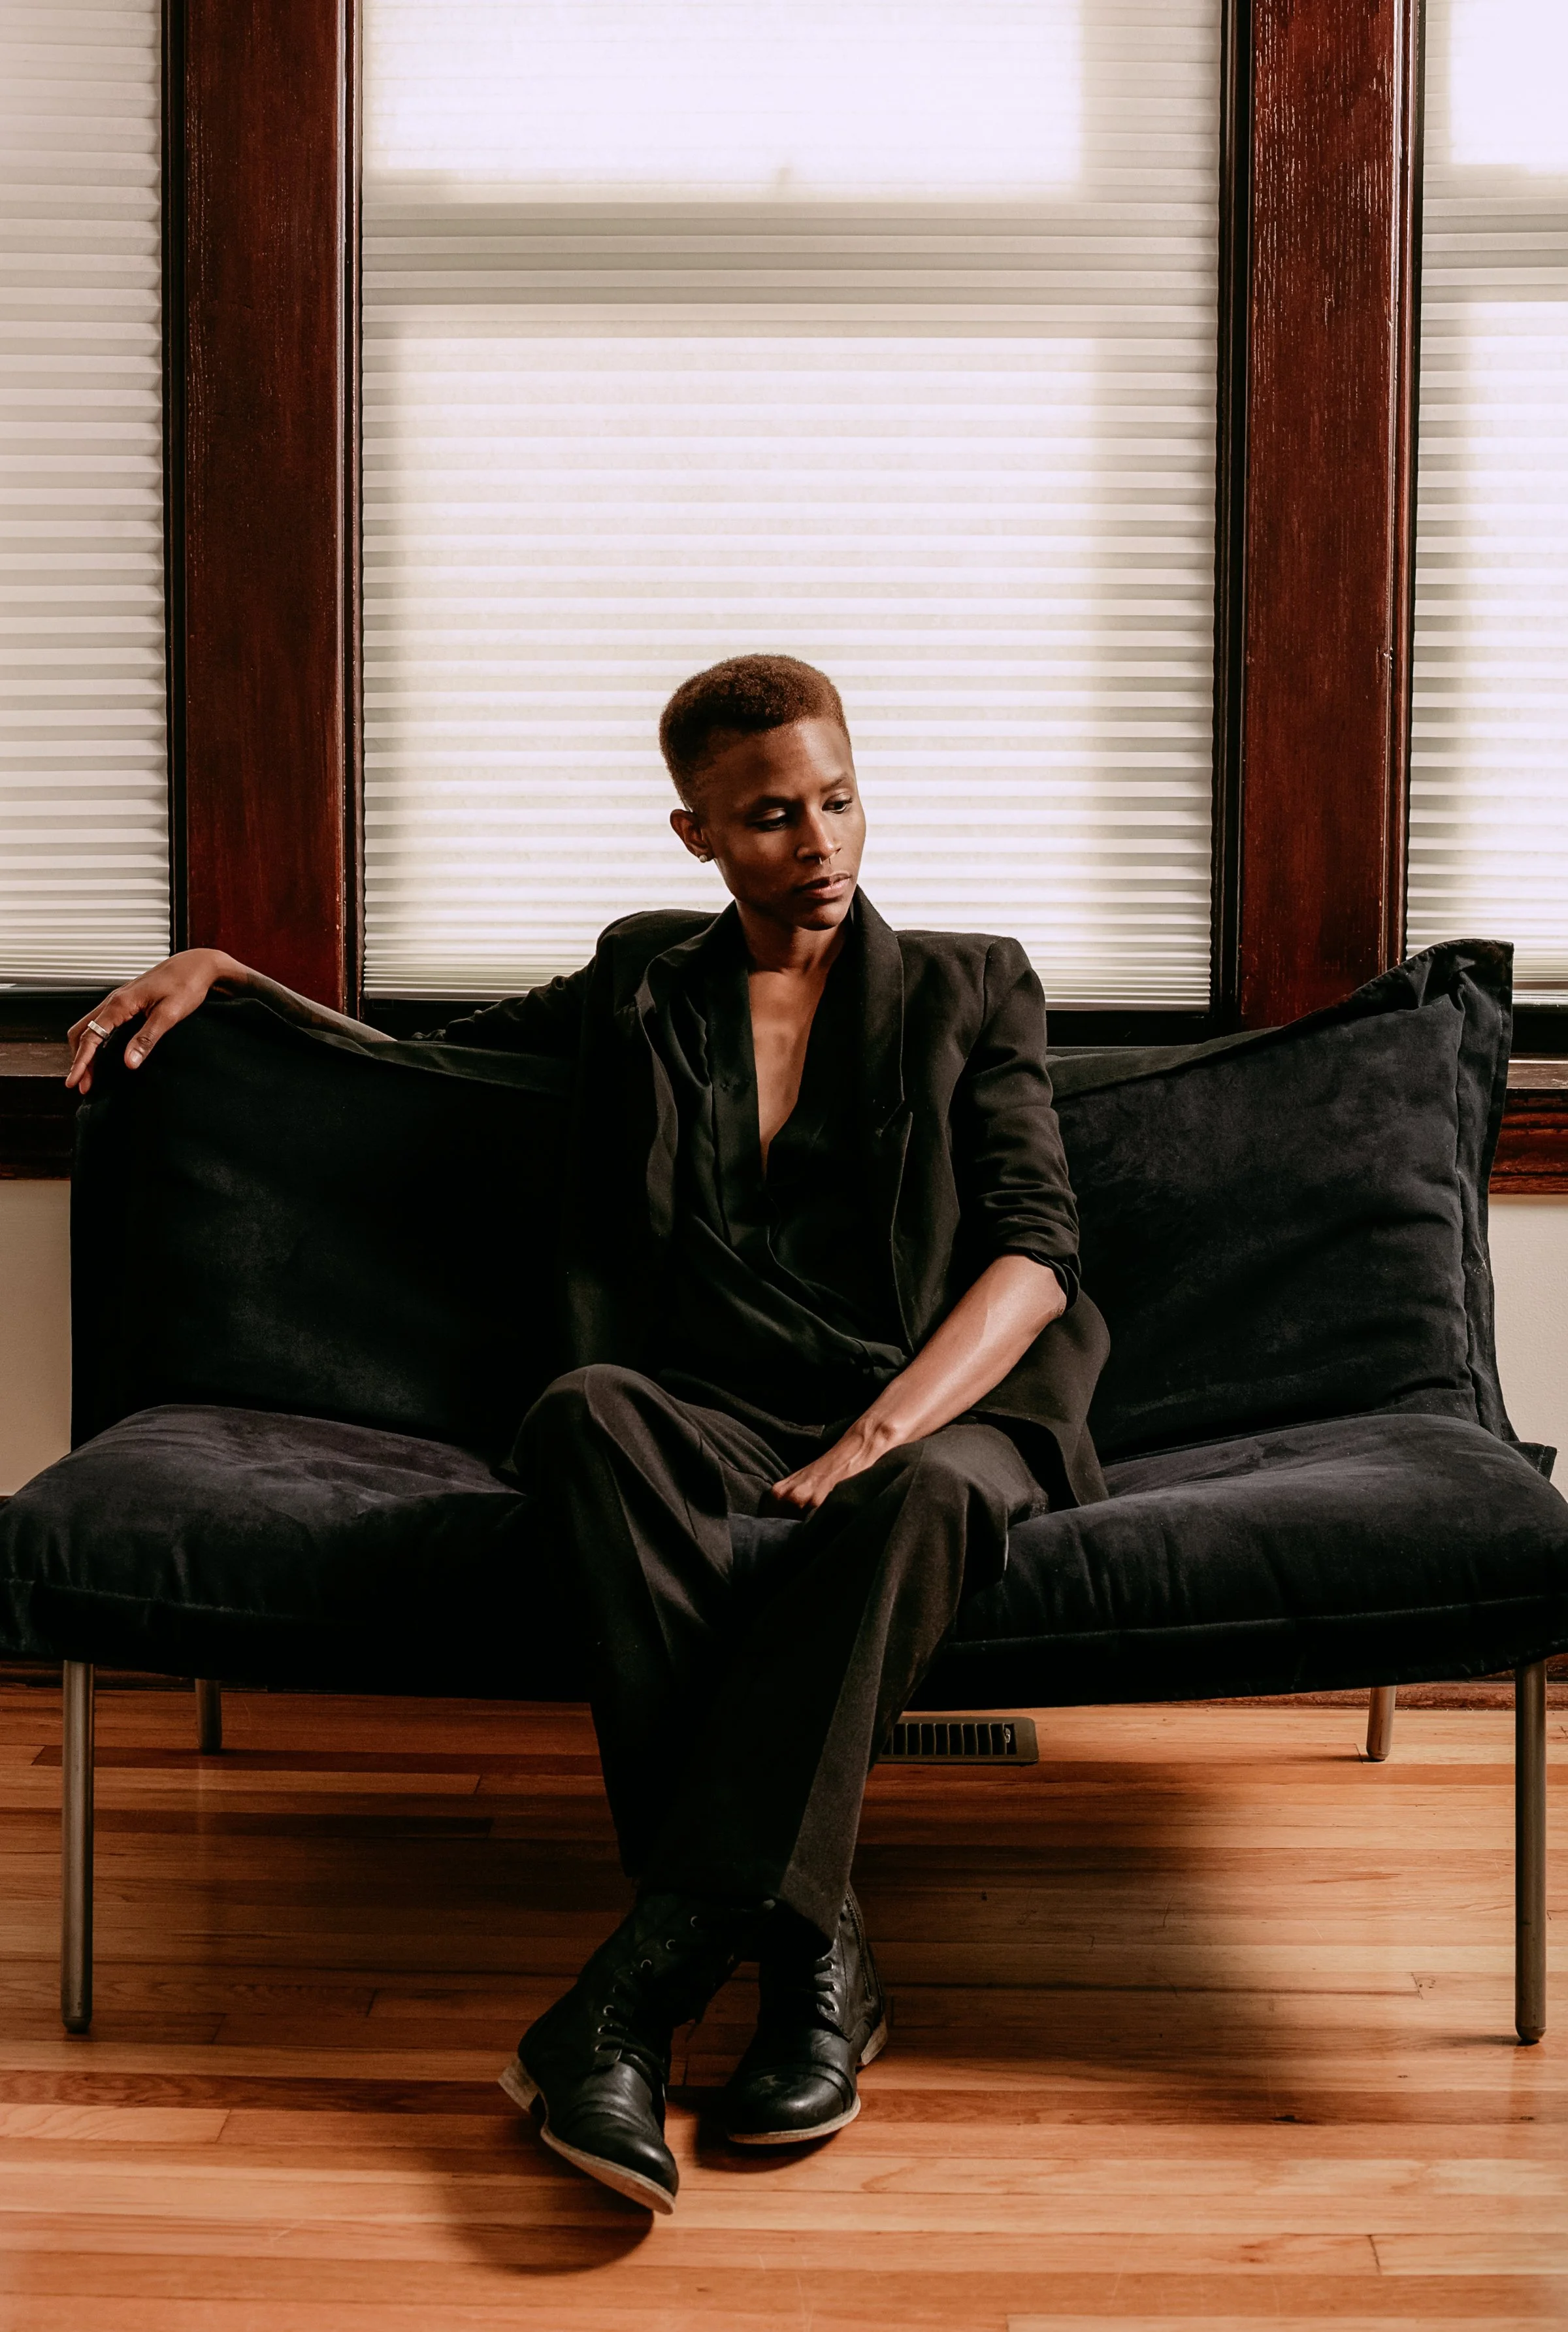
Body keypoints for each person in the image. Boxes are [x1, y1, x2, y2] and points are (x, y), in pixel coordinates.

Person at [65, 653, 1110, 2214]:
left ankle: (636, 1996)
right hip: (700, 1398)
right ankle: (817, 1944)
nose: (819, 844)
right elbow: (411, 1072)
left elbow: (1036, 1253)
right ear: (696, 837)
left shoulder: (974, 983)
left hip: (943, 1397)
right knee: (577, 1417)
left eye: (838, 800)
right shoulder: (640, 983)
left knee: (912, 1506)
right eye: (769, 817)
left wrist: (877, 1435)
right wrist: (229, 974)